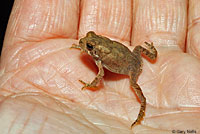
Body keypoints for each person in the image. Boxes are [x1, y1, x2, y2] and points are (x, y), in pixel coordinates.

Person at [0, 0, 199, 133]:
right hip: (130, 54)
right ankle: (152, 54)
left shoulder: (100, 61)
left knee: (134, 86)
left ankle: (143, 108)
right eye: (88, 42)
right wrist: (83, 45)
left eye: (89, 46)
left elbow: (99, 77)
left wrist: (90, 85)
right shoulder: (96, 52)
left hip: (130, 67)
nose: (86, 44)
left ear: (95, 52)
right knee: (138, 47)